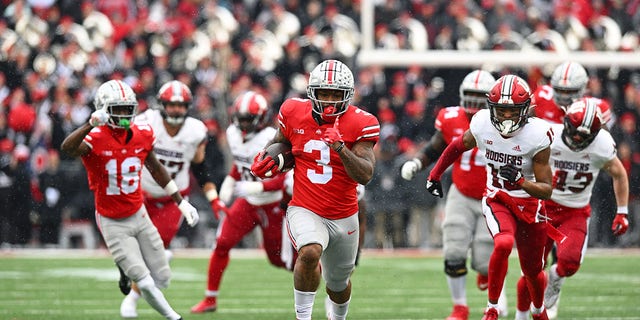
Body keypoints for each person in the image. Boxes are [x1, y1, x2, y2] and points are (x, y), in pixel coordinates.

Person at [250, 59, 380, 320]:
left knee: (338, 286)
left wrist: (341, 148)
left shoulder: (361, 123)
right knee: (309, 251)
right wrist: (268, 156)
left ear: (348, 96)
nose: (329, 100)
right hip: (305, 207)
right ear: (312, 93)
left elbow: (365, 174)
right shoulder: (292, 112)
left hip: (344, 215)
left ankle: (338, 317)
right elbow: (280, 141)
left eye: (336, 94)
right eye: (324, 93)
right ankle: (303, 317)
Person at [60, 79, 199, 320]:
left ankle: (127, 269)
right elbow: (67, 148)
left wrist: (180, 201)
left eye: (128, 109)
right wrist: (88, 125)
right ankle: (174, 317)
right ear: (103, 109)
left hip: (139, 213)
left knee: (163, 279)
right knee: (144, 281)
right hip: (112, 219)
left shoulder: (142, 133)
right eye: (118, 109)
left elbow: (156, 169)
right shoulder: (96, 137)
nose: (125, 115)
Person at [426, 74, 554, 320]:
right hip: (497, 197)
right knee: (504, 243)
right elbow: (456, 146)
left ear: (525, 110)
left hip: (528, 204)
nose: (506, 116)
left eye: (512, 111)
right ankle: (492, 308)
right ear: (492, 108)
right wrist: (435, 174)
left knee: (533, 270)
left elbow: (546, 189)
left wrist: (521, 182)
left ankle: (538, 310)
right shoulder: (482, 123)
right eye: (501, 110)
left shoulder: (538, 135)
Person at [401, 69, 508, 320]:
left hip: (492, 196)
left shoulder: (504, 121)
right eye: (470, 95)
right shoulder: (450, 117)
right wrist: (418, 163)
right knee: (453, 254)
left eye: (479, 96)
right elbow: (436, 146)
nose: (474, 102)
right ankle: (460, 307)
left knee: (484, 259)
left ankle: (492, 285)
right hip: (461, 192)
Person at [119, 80, 227, 318]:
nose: (177, 110)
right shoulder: (147, 122)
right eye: (172, 105)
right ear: (162, 105)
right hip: (141, 194)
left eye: (181, 105)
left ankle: (132, 298)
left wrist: (213, 198)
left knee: (153, 248)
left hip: (173, 199)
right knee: (133, 245)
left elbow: (201, 168)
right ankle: (136, 278)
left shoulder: (195, 131)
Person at [514, 98, 630, 320]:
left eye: (584, 136)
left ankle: (555, 281)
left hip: (574, 211)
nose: (577, 139)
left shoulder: (603, 144)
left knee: (569, 264)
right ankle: (520, 316)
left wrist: (622, 211)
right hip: (543, 208)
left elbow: (619, 173)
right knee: (530, 271)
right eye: (575, 132)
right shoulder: (549, 134)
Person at [190, 90, 297, 313]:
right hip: (248, 202)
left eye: (248, 119)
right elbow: (240, 166)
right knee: (222, 244)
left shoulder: (272, 138)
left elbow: (286, 178)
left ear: (261, 118)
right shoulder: (232, 133)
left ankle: (323, 273)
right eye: (240, 118)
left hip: (274, 204)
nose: (243, 124)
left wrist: (258, 186)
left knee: (282, 262)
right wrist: (230, 182)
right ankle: (210, 299)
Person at [533, 61, 611, 126]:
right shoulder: (541, 96)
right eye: (560, 90)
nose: (564, 96)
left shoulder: (596, 108)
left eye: (570, 91)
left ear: (583, 88)